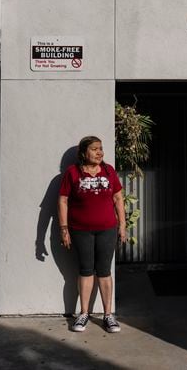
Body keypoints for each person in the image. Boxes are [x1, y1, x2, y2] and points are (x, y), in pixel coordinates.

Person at [58, 135, 127, 333]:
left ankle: (108, 316)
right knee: (86, 270)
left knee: (104, 271)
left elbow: (118, 198)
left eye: (101, 148)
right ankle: (84, 313)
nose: (100, 152)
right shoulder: (72, 173)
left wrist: (122, 225)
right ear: (83, 153)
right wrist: (64, 229)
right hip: (80, 231)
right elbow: (63, 200)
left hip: (107, 229)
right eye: (95, 149)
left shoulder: (108, 171)